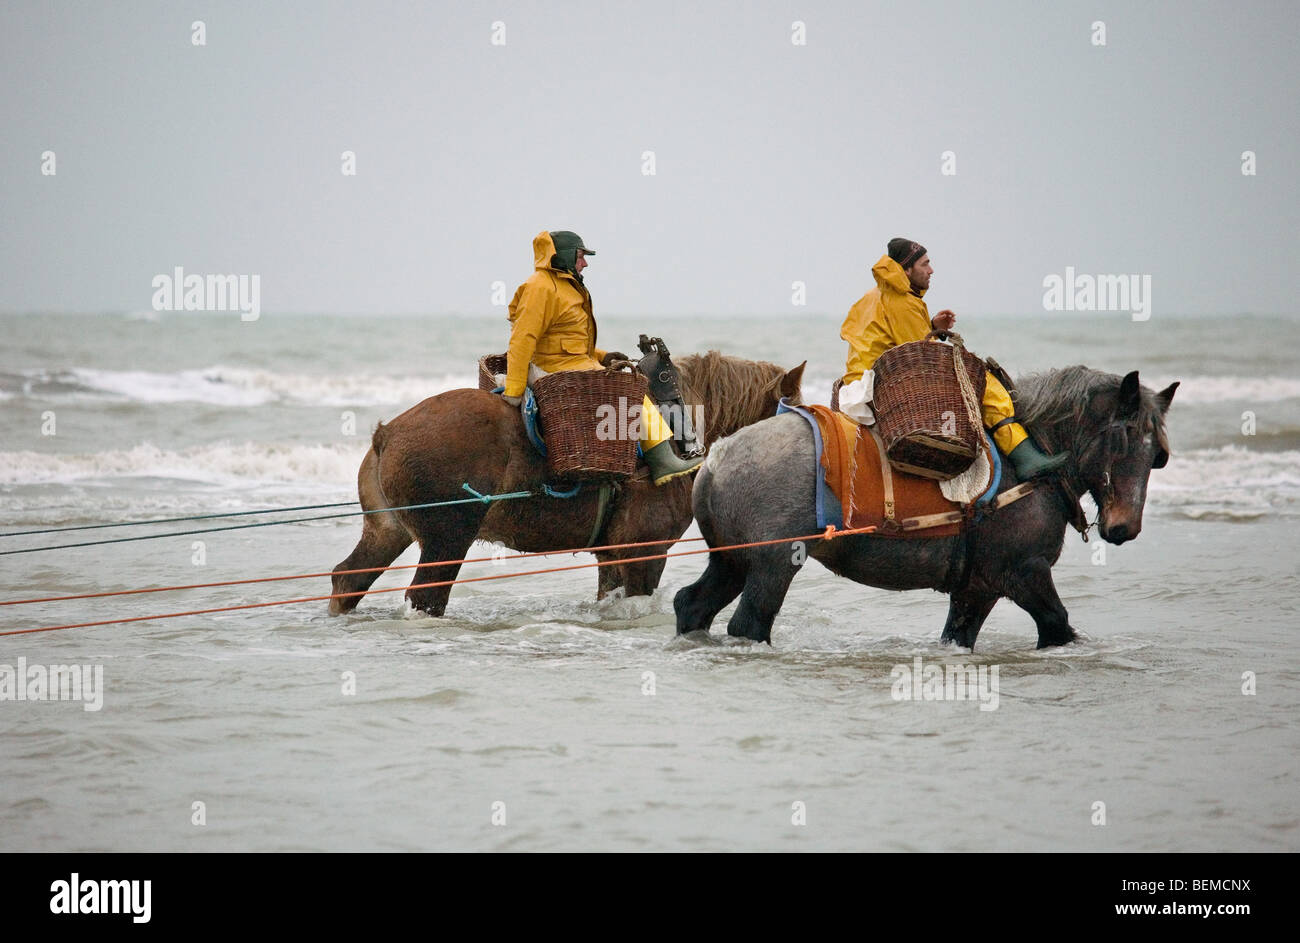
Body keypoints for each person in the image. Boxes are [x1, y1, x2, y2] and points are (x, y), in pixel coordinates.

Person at [840, 238, 1069, 479]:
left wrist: (931, 326)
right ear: (906, 269)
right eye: (924, 264)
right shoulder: (903, 301)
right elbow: (922, 356)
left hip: (863, 378)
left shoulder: (876, 294)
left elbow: (897, 338)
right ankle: (1023, 454)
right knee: (984, 382)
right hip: (884, 383)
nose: (931, 270)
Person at [502, 230, 703, 486]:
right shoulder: (540, 287)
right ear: (562, 255)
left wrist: (603, 355)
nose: (585, 263)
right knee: (631, 391)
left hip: (571, 363)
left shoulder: (566, 285)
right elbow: (523, 339)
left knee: (627, 378)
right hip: (556, 369)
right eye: (581, 256)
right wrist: (514, 390)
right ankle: (663, 460)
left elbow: (566, 340)